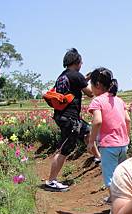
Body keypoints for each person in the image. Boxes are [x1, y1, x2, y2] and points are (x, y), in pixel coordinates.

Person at [45, 48, 93, 191]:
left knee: (87, 131)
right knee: (64, 149)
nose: (82, 63)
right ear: (76, 62)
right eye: (81, 61)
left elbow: (74, 85)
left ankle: (97, 157)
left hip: (62, 116)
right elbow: (90, 93)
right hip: (69, 118)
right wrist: (90, 82)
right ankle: (51, 181)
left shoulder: (62, 76)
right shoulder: (76, 75)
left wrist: (85, 79)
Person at [87, 67, 131, 202]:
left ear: (97, 85)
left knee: (110, 178)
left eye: (91, 84)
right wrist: (126, 137)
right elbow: (127, 120)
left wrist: (91, 141)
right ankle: (121, 199)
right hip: (123, 144)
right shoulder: (118, 100)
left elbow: (97, 121)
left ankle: (119, 205)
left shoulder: (97, 101)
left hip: (108, 146)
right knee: (121, 175)